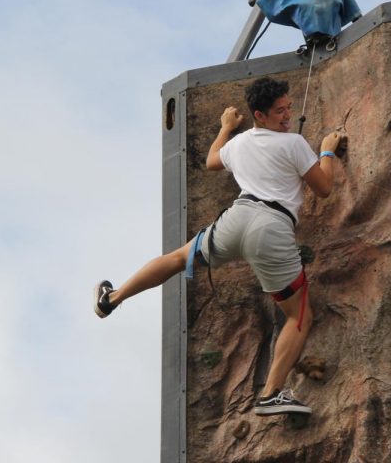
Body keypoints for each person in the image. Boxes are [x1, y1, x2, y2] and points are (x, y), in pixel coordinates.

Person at [93, 77, 343, 416]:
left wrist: (226, 127)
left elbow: (212, 160)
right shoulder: (295, 143)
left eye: (288, 107)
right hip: (272, 226)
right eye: (279, 111)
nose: (287, 115)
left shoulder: (239, 144)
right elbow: (325, 187)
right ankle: (271, 394)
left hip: (237, 218)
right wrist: (326, 150)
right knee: (299, 316)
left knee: (177, 258)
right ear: (260, 114)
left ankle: (112, 299)